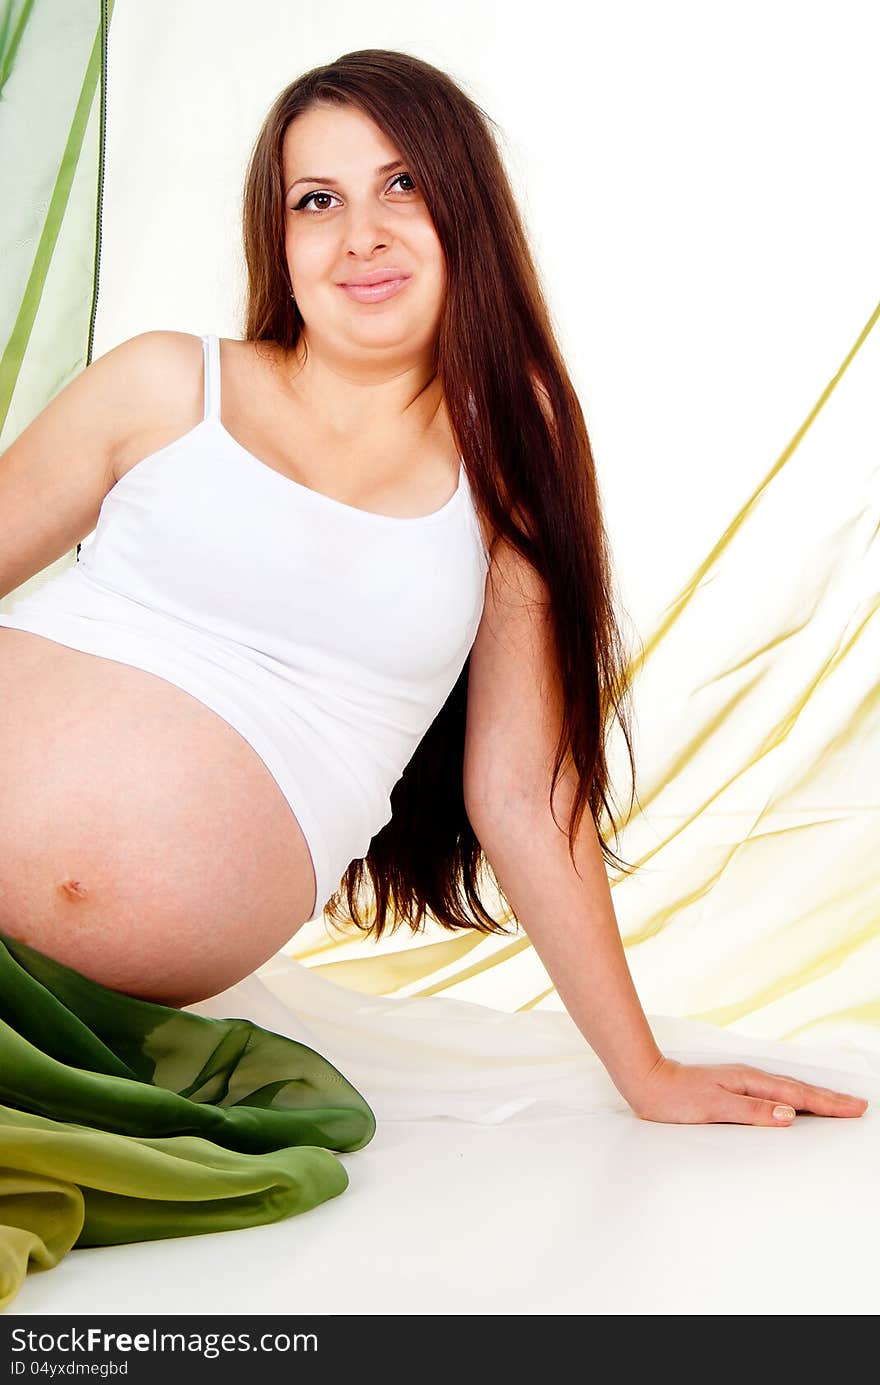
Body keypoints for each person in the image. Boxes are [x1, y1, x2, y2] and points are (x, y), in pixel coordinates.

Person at [0, 49, 867, 1310]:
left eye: (400, 183)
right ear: (277, 235)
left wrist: (645, 1070)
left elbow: (521, 790)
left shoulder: (506, 454)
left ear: (465, 205)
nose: (360, 233)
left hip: (72, 997)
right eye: (317, 198)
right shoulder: (164, 381)